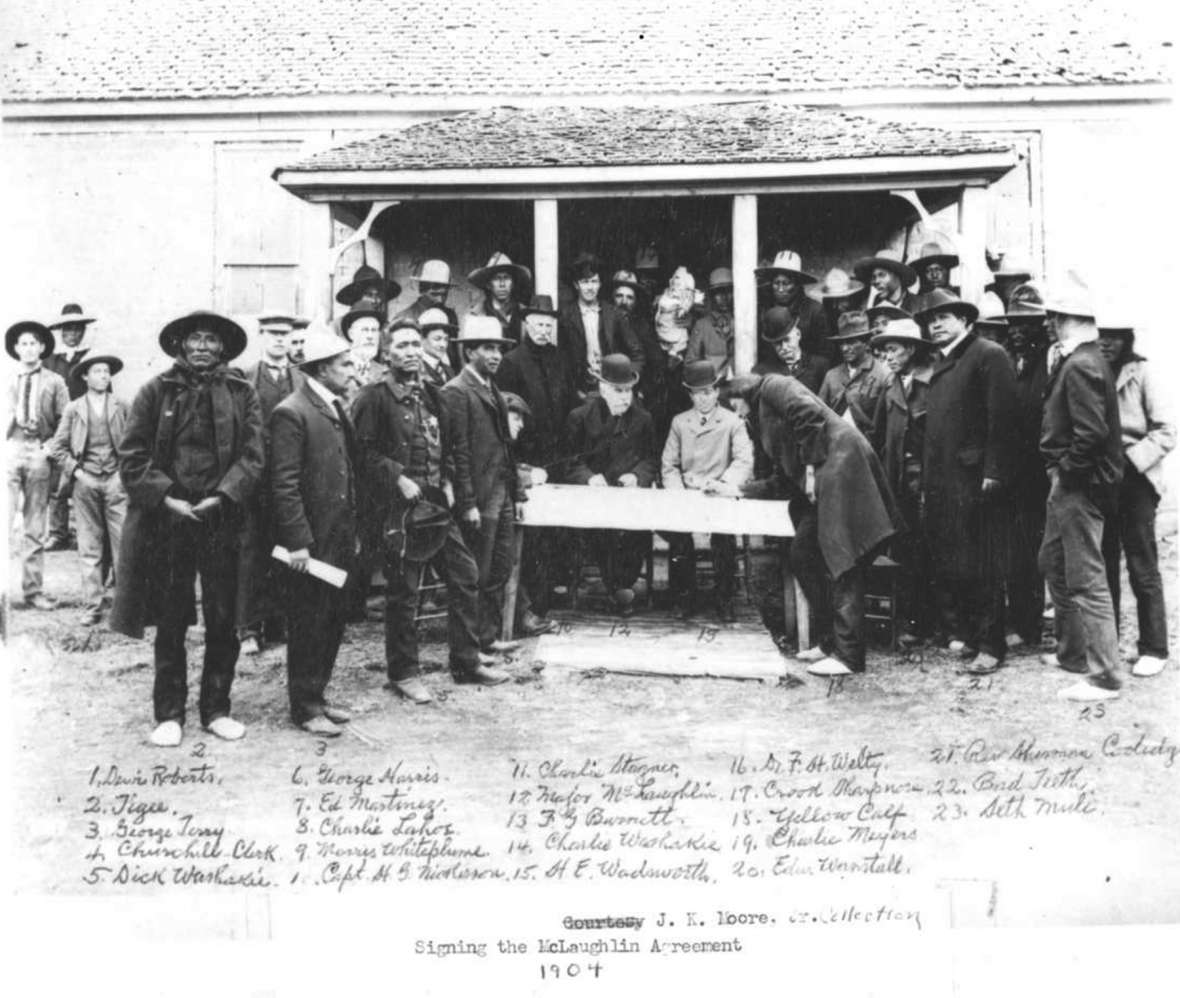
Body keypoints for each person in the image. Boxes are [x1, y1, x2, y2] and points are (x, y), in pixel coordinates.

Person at [111, 311, 263, 747]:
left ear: (223, 349)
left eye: (211, 340)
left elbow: (254, 455)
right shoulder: (155, 392)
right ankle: (169, 714)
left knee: (223, 616)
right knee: (171, 618)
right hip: (169, 524)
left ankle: (217, 709)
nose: (201, 347)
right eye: (193, 339)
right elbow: (133, 456)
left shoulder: (241, 393)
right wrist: (167, 498)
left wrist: (224, 494)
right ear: (180, 346)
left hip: (223, 521)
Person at [353, 321, 506, 700]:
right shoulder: (373, 398)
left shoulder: (434, 395)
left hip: (437, 507)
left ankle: (466, 662)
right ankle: (404, 673)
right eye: (401, 345)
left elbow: (452, 447)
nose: (409, 351)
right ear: (387, 353)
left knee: (465, 575)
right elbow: (360, 452)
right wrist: (397, 477)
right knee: (404, 593)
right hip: (397, 513)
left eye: (414, 344)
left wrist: (451, 484)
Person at [724, 373, 899, 677]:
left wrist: (809, 471)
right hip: (822, 478)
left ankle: (849, 656)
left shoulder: (774, 385)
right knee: (803, 554)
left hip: (842, 466)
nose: (736, 413)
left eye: (734, 403)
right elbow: (783, 478)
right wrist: (738, 489)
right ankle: (829, 641)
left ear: (742, 394)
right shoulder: (764, 420)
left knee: (843, 560)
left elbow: (809, 415)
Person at [917, 288, 1017, 675]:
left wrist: (994, 471)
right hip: (947, 483)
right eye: (930, 319)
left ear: (966, 320)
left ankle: (992, 646)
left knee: (985, 564)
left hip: (977, 481)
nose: (936, 323)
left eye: (944, 316)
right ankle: (974, 637)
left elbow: (1003, 421)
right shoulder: (943, 362)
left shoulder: (988, 355)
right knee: (960, 564)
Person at [1038, 276, 1124, 701]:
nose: (1051, 324)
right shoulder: (1084, 360)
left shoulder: (1082, 363)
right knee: (1053, 561)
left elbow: (1090, 433)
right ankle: (1074, 654)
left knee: (1086, 578)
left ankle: (1105, 675)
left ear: (1067, 319)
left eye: (1055, 317)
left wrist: (1066, 472)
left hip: (1078, 485)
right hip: (1071, 482)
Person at [269, 327, 358, 736]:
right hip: (310, 543)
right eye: (345, 364)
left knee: (331, 620)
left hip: (337, 537)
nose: (352, 371)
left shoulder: (333, 407)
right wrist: (298, 543)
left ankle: (318, 696)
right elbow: (283, 484)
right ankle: (304, 708)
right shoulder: (292, 411)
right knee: (309, 622)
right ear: (323, 369)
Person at [441, 315, 529, 659]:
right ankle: (470, 647)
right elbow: (456, 453)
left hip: (501, 493)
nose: (495, 355)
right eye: (487, 348)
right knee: (474, 574)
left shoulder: (491, 387)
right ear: (469, 352)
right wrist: (466, 504)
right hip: (478, 497)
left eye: (499, 349)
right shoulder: (456, 392)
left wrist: (517, 493)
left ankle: (488, 637)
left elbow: (507, 448)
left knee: (499, 569)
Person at [1097, 313, 1175, 678]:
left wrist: (1132, 459)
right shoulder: (1090, 370)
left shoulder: (1141, 373)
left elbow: (1166, 432)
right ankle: (1107, 644)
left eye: (1114, 336)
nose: (1105, 342)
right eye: (1100, 335)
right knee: (1104, 562)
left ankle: (1154, 647)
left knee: (1142, 563)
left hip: (1135, 480)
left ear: (1127, 339)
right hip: (1099, 479)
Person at [494, 294, 576, 634]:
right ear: (526, 324)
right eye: (537, 323)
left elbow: (569, 400)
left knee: (556, 527)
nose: (543, 329)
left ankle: (551, 592)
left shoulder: (560, 358)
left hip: (558, 453)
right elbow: (507, 410)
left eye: (548, 324)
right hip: (527, 453)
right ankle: (533, 600)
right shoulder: (512, 361)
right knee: (532, 529)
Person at [564, 354, 658, 617]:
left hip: (629, 499)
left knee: (635, 531)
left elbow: (651, 459)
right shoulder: (580, 417)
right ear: (603, 388)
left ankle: (622, 586)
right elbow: (569, 462)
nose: (625, 397)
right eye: (618, 390)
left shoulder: (643, 419)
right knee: (601, 533)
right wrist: (588, 477)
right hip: (594, 499)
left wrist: (637, 476)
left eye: (629, 391)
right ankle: (617, 589)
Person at [661, 360, 754, 622]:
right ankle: (684, 596)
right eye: (696, 393)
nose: (703, 398)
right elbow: (669, 464)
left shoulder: (732, 422)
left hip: (718, 491)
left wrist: (724, 485)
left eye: (708, 392)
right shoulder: (679, 423)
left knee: (723, 537)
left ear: (716, 392)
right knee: (679, 537)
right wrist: (678, 492)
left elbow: (743, 459)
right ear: (689, 394)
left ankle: (724, 598)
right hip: (688, 493)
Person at [236, 313, 305, 655]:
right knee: (252, 552)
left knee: (286, 548)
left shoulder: (301, 378)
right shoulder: (245, 377)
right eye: (273, 334)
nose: (280, 340)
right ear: (261, 335)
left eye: (285, 334)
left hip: (290, 479)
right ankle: (248, 628)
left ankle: (279, 623)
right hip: (256, 481)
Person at [48, 351, 128, 626]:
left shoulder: (121, 405)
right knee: (90, 546)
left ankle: (125, 606)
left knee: (123, 545)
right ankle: (92, 605)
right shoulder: (74, 409)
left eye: (107, 372)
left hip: (116, 484)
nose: (103, 376)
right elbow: (57, 448)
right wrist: (79, 473)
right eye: (97, 372)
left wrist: (120, 475)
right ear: (85, 376)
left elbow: (134, 445)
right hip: (86, 485)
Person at [870, 318, 935, 645]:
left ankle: (941, 624)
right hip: (899, 486)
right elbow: (882, 436)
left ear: (911, 349)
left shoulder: (933, 382)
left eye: (893, 349)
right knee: (906, 553)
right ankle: (911, 624)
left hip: (929, 483)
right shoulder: (890, 385)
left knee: (934, 553)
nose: (887, 357)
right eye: (883, 351)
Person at [6, 320, 69, 610]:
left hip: (38, 453)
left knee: (34, 523)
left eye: (34, 343)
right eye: (24, 343)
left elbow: (64, 422)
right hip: (10, 450)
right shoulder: (6, 378)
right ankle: (4, 592)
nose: (29, 348)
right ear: (16, 348)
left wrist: (48, 449)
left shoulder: (55, 381)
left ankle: (33, 590)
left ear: (42, 347)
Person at [1003, 283, 1051, 650]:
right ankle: (1021, 619)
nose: (1018, 330)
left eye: (1026, 323)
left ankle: (1035, 623)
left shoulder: (1049, 361)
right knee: (1015, 549)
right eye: (1013, 323)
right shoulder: (1005, 358)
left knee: (1041, 549)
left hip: (1041, 470)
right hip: (1011, 471)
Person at [500, 390, 557, 635]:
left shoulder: (502, 443)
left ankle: (525, 611)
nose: (521, 425)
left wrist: (526, 471)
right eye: (516, 419)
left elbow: (510, 465)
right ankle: (520, 615)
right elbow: (498, 469)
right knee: (511, 552)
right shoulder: (489, 441)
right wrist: (526, 476)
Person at [44, 303, 97, 549]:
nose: (73, 334)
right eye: (68, 329)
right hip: (58, 428)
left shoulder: (91, 361)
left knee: (86, 479)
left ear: (83, 332)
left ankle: (89, 535)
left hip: (85, 426)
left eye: (77, 329)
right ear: (60, 331)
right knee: (57, 482)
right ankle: (58, 533)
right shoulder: (50, 361)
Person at [561, 252, 645, 398]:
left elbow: (637, 353)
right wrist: (574, 390)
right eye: (585, 282)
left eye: (594, 281)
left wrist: (625, 379)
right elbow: (561, 359)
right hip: (581, 390)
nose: (590, 287)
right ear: (576, 285)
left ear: (600, 284)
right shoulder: (566, 315)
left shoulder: (613, 313)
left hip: (612, 387)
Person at [817, 311, 892, 435]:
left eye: (851, 342)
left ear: (866, 342)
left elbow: (887, 425)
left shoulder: (883, 374)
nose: (845, 348)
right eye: (842, 343)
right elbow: (819, 416)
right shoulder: (832, 376)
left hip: (868, 448)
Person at [755, 250, 827, 359]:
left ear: (797, 284)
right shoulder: (764, 309)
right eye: (776, 283)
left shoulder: (814, 310)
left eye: (786, 283)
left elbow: (823, 352)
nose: (780, 289)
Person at [754, 307, 828, 393]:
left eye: (787, 339)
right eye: (777, 343)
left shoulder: (820, 366)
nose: (784, 347)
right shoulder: (761, 372)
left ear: (798, 334)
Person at [468, 251, 531, 343]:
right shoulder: (477, 315)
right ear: (488, 285)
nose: (502, 284)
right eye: (497, 278)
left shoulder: (525, 314)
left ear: (513, 283)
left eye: (506, 278)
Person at [685, 267, 736, 376]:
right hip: (712, 386)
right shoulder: (702, 325)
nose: (724, 298)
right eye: (719, 293)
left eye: (728, 291)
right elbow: (690, 364)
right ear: (712, 296)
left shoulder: (743, 322)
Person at [390, 258, 460, 329]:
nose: (440, 300)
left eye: (444, 295)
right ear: (422, 289)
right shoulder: (404, 318)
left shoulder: (451, 316)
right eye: (435, 294)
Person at [340, 302, 388, 404]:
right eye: (365, 330)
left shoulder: (384, 373)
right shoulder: (339, 369)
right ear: (351, 334)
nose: (370, 336)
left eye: (374, 330)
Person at [854, 249, 921, 313]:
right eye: (873, 277)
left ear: (898, 276)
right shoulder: (875, 305)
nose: (876, 281)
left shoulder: (918, 306)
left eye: (882, 275)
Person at [335, 262, 400, 316]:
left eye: (378, 295)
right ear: (357, 297)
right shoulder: (341, 325)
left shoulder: (385, 327)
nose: (374, 301)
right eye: (369, 295)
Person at [417, 307, 458, 387]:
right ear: (422, 339)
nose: (443, 345)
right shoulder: (417, 370)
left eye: (446, 339)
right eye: (437, 339)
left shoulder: (449, 370)